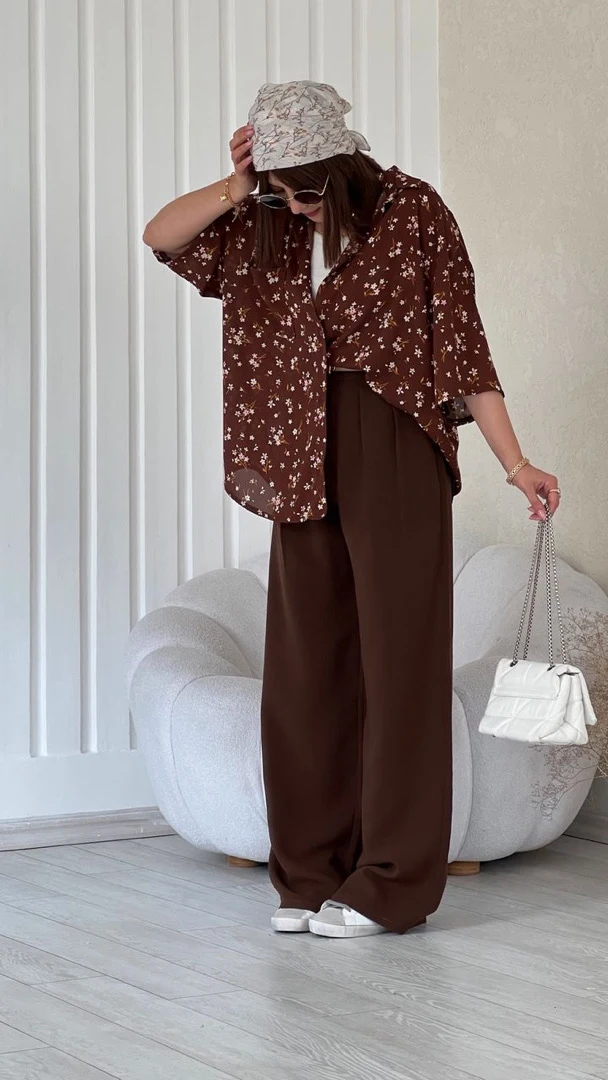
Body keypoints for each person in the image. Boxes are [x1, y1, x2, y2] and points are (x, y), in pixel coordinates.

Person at [143, 80, 561, 939]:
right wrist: (240, 187)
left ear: (342, 168)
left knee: (401, 665)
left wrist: (515, 464)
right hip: (295, 445)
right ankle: (308, 873)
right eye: (281, 192)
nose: (295, 208)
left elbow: (465, 349)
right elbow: (161, 236)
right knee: (304, 669)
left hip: (394, 436)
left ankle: (394, 880)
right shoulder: (261, 216)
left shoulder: (414, 213)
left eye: (306, 192)